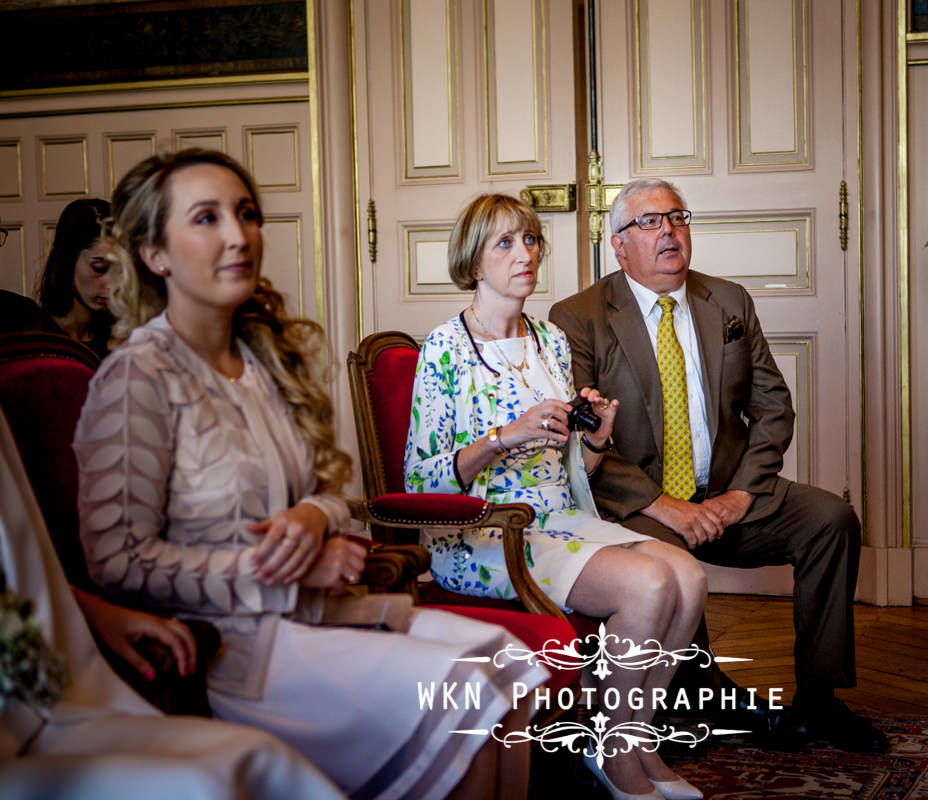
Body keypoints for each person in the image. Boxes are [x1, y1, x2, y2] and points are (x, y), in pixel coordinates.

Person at [74, 149, 547, 800]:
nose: (239, 235)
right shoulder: (137, 377)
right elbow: (115, 563)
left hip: (316, 610)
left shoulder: (261, 361)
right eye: (206, 218)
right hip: (234, 644)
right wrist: (283, 568)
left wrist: (315, 517)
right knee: (466, 690)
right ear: (155, 254)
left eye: (246, 213)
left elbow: (330, 493)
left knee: (511, 661)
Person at [549, 178, 887, 755]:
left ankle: (819, 699)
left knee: (832, 519)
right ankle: (689, 699)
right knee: (667, 556)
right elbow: (580, 441)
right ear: (619, 244)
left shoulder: (728, 301)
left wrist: (740, 497)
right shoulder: (579, 316)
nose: (669, 232)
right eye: (649, 222)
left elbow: (774, 408)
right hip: (638, 504)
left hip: (729, 490)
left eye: (677, 218)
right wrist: (666, 507)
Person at [405, 193, 708, 800]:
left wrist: (595, 438)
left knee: (689, 575)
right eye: (506, 243)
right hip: (486, 533)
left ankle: (634, 737)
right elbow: (420, 481)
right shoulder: (445, 350)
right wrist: (501, 438)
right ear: (472, 262)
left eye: (531, 240)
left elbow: (574, 468)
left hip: (561, 514)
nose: (526, 254)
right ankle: (615, 753)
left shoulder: (551, 342)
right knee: (647, 585)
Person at [0, 409, 345, 800]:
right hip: (239, 632)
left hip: (44, 686)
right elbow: (126, 559)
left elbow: (21, 558)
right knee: (203, 783)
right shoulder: (139, 383)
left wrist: (91, 610)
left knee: (258, 759)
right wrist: (283, 570)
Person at [35, 198, 116, 359]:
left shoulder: (123, 337)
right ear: (67, 260)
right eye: (99, 268)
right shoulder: (35, 334)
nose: (112, 284)